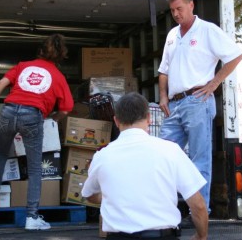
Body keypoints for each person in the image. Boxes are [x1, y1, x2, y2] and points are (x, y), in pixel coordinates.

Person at [158, 0, 242, 212]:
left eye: (179, 8)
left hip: (197, 100)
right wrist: (163, 97)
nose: (176, 14)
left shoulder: (207, 30)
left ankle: (200, 212)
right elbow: (163, 70)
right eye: (172, 10)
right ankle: (163, 209)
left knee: (199, 160)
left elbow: (236, 56)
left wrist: (214, 83)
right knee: (163, 157)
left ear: (191, 5)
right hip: (174, 104)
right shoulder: (171, 35)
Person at [82, 92, 208, 240]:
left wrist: (114, 195)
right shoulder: (171, 150)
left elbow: (89, 195)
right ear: (149, 118)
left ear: (116, 121)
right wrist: (201, 236)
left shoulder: (102, 156)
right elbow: (198, 205)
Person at [0, 33, 73, 230]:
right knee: (34, 168)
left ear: (40, 50)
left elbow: (2, 83)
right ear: (60, 55)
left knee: (1, 153)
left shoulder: (23, 65)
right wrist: (53, 119)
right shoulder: (57, 76)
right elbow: (67, 108)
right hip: (33, 116)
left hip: (8, 110)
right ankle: (32, 217)